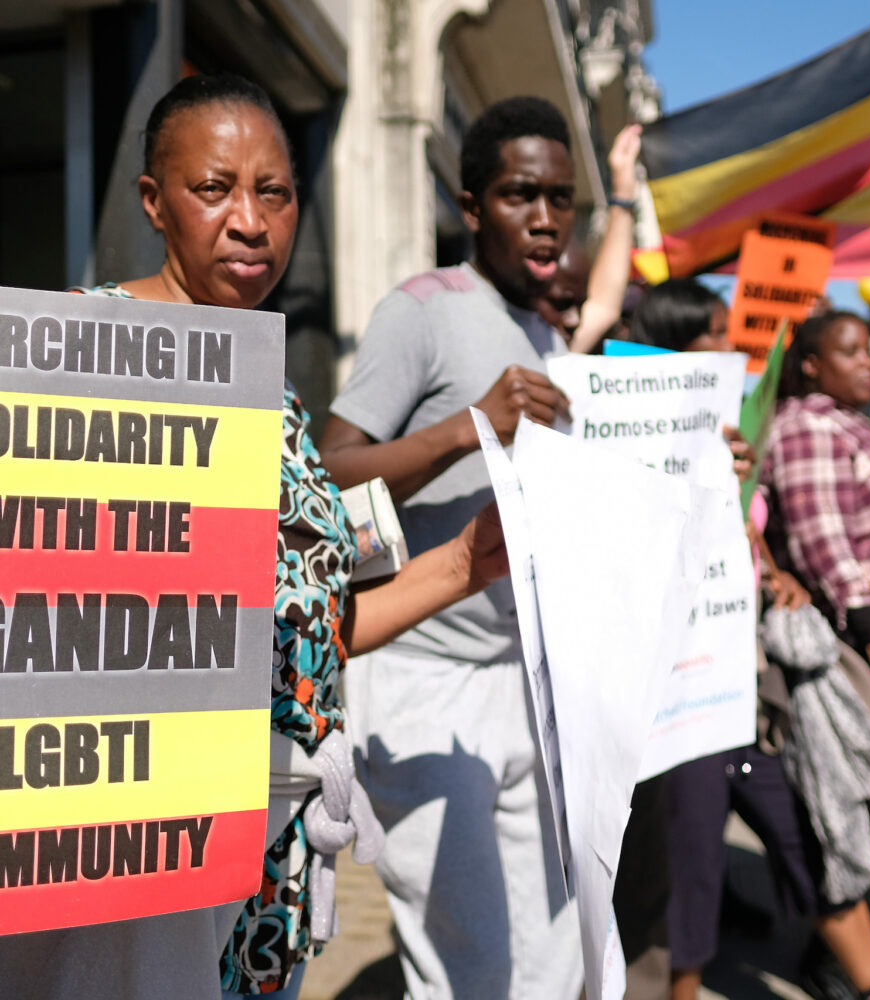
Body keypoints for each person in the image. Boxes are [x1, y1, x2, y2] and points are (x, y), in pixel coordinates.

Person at [0, 73, 509, 1000]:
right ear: (154, 201)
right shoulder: (76, 362)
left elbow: (311, 633)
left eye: (273, 192)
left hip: (269, 859)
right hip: (136, 857)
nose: (249, 220)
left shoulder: (269, 397)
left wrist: (470, 561)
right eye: (214, 189)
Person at [318, 97, 582, 1000]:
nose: (545, 219)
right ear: (472, 206)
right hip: (421, 684)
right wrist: (466, 430)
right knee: (473, 971)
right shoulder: (423, 310)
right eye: (520, 195)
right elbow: (327, 474)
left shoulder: (550, 332)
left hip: (528, 686)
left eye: (561, 198)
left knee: (555, 965)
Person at [614, 284, 870, 1000]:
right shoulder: (629, 440)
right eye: (714, 333)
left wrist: (775, 573)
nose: (733, 346)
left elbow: (743, 534)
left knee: (805, 827)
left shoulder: (731, 430)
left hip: (745, 678)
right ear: (671, 349)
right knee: (689, 862)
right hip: (681, 688)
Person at [762, 311, 870, 735]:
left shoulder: (847, 422)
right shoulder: (807, 425)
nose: (866, 362)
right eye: (849, 352)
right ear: (811, 365)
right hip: (868, 658)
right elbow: (822, 544)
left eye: (867, 350)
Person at [535, 123, 643, 353]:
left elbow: (605, 306)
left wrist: (624, 195)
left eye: (581, 305)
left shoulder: (554, 353)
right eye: (561, 304)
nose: (575, 321)